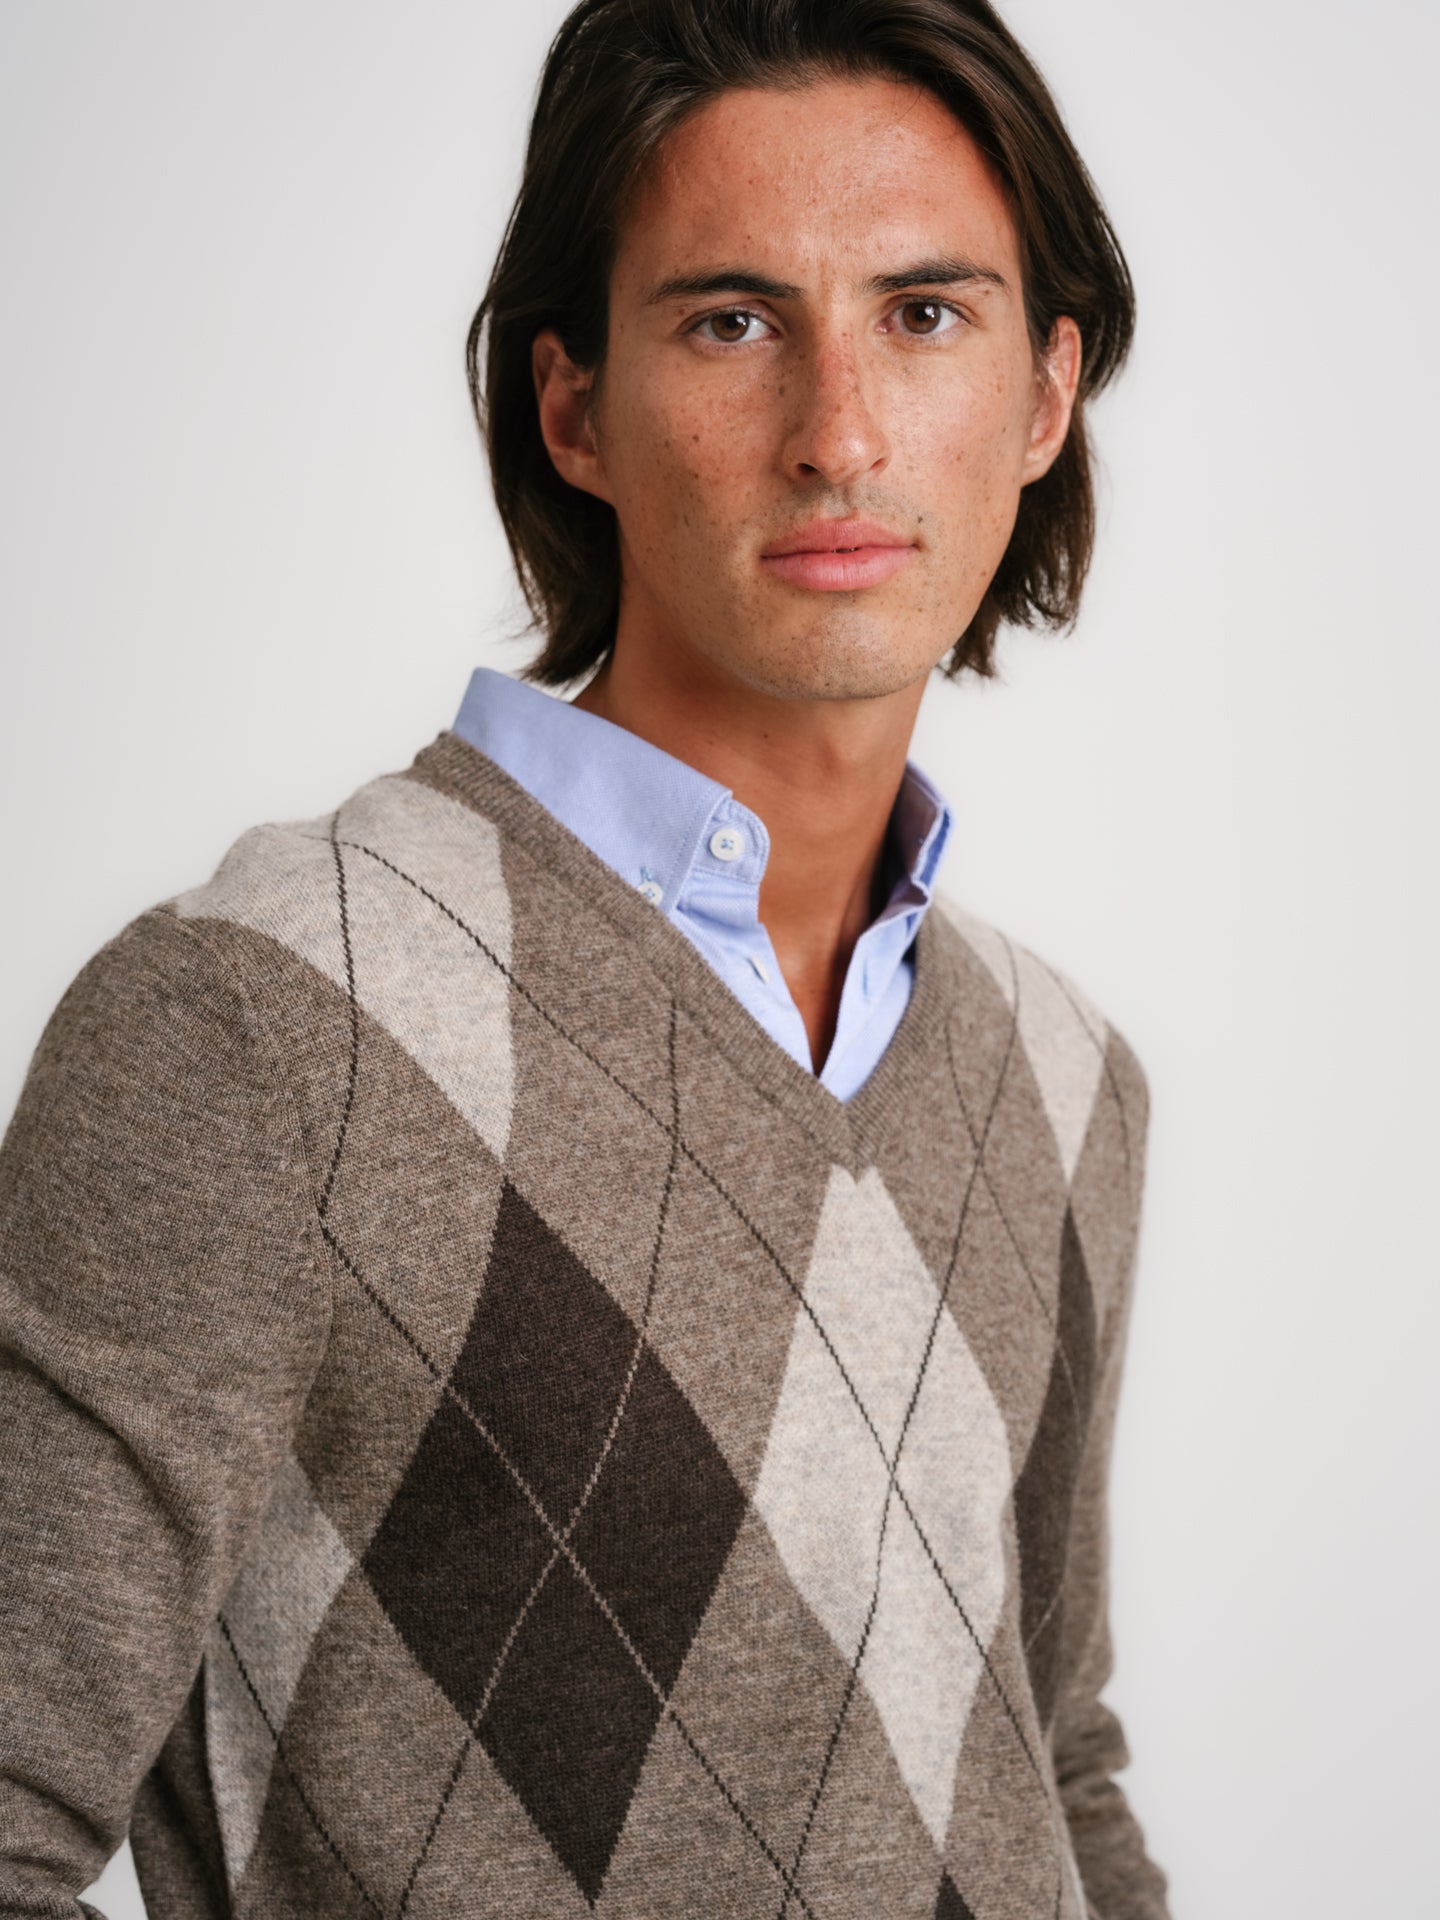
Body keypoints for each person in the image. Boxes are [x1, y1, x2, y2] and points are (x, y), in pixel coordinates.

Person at [0, 1, 1171, 1915]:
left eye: (923, 314)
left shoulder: (1064, 1075)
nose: (839, 432)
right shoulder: (259, 1024)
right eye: (732, 323)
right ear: (573, 410)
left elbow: (1055, 1762)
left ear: (1044, 396)